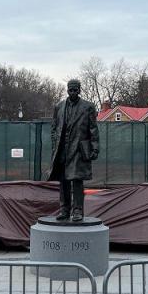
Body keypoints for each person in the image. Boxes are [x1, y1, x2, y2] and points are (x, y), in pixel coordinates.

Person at [47, 79, 99, 222]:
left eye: (75, 90)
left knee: (77, 181)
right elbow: (54, 128)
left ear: (79, 90)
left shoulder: (88, 107)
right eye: (71, 90)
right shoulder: (59, 107)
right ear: (67, 90)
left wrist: (94, 147)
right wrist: (55, 144)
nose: (73, 92)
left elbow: (93, 129)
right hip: (62, 148)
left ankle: (77, 211)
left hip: (78, 148)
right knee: (63, 180)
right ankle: (64, 209)